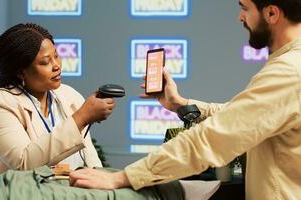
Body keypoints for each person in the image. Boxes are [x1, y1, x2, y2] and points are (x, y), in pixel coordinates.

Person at [69, 0, 301, 199]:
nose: (241, 16)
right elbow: (243, 116)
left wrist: (125, 177)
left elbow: (214, 137)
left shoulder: (288, 73)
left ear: (272, 13)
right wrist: (181, 104)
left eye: (245, 8)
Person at [0, 23, 116, 184]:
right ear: (21, 71)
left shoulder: (69, 94)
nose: (56, 65)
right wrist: (82, 117)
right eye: (45, 62)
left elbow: (89, 156)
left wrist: (103, 183)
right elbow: (24, 163)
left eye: (56, 56)